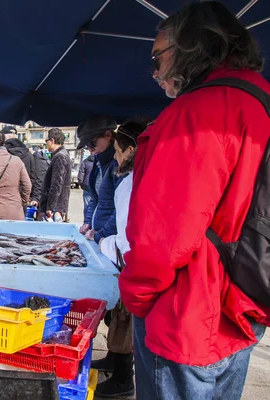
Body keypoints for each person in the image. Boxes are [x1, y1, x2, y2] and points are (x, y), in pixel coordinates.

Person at [119, 3, 269, 399]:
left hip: (188, 312)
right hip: (245, 302)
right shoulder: (260, 100)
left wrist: (136, 296)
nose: (154, 71)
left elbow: (163, 238)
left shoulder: (196, 113)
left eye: (158, 56)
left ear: (190, 47)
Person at [92, 119, 149, 398]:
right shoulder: (139, 176)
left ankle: (124, 379)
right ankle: (116, 363)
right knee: (120, 319)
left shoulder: (132, 181)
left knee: (126, 320)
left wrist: (103, 240)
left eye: (118, 150)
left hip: (131, 262)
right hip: (133, 260)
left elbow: (127, 233)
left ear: (131, 149)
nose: (115, 156)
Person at [77, 115, 121, 243]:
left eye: (92, 143)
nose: (90, 149)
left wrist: (101, 234)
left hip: (110, 239)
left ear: (108, 135)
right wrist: (88, 222)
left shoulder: (118, 164)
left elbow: (121, 209)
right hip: (98, 235)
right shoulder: (97, 162)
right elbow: (94, 198)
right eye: (87, 146)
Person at [0, 130, 31, 220]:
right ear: (3, 143)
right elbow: (27, 185)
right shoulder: (16, 160)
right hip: (15, 208)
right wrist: (23, 200)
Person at [35, 128, 72, 220]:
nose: (46, 143)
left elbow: (57, 183)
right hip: (57, 206)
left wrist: (50, 207)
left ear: (52, 140)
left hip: (55, 208)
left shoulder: (60, 156)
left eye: (46, 140)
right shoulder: (61, 154)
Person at [3, 125, 35, 193]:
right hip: (24, 195)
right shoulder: (28, 154)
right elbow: (33, 178)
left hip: (6, 197)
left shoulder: (1, 155)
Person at [77, 152, 94, 220]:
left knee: (87, 206)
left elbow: (80, 176)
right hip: (96, 187)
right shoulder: (99, 161)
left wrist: (82, 185)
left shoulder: (85, 161)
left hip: (87, 186)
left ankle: (86, 223)